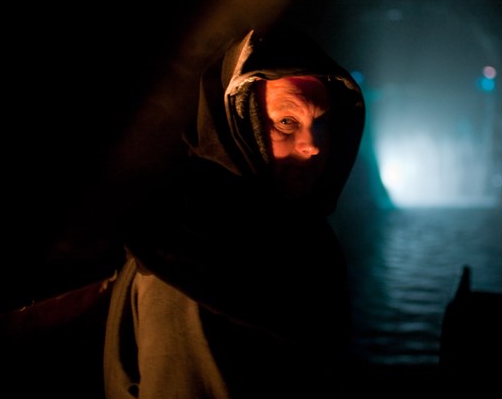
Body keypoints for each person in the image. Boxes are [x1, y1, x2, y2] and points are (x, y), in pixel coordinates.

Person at [102, 26, 366, 399]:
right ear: (240, 126)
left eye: (320, 124)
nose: (313, 146)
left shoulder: (297, 237)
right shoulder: (187, 259)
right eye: (286, 122)